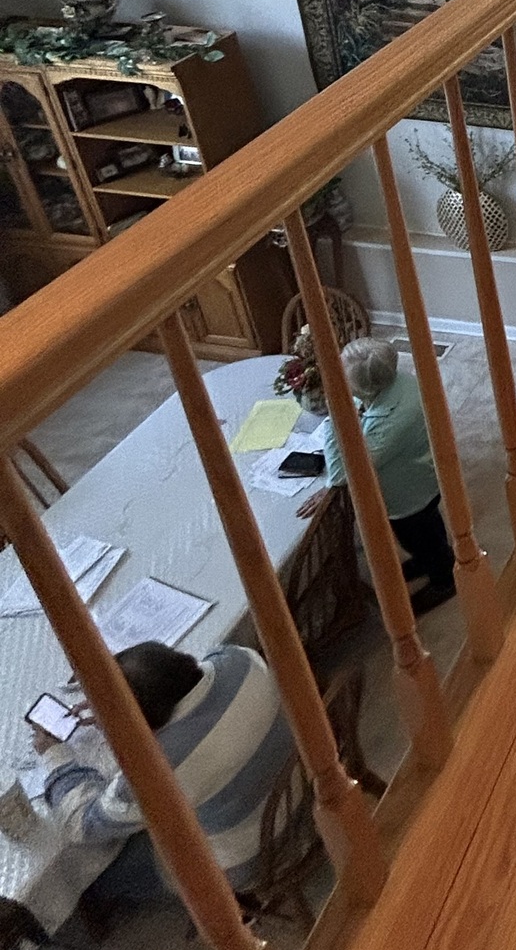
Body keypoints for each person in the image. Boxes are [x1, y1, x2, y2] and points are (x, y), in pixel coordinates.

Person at [41, 639, 293, 903]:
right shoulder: (240, 660)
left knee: (104, 878)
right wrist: (117, 708)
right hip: (304, 795)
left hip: (258, 857)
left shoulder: (155, 770)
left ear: (143, 723)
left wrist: (55, 755)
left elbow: (82, 823)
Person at [303, 336, 455, 614]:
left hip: (408, 494)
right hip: (419, 478)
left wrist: (333, 418)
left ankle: (444, 580)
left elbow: (341, 474)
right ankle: (430, 559)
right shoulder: (399, 382)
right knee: (425, 533)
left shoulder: (389, 425)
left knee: (418, 534)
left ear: (367, 389)